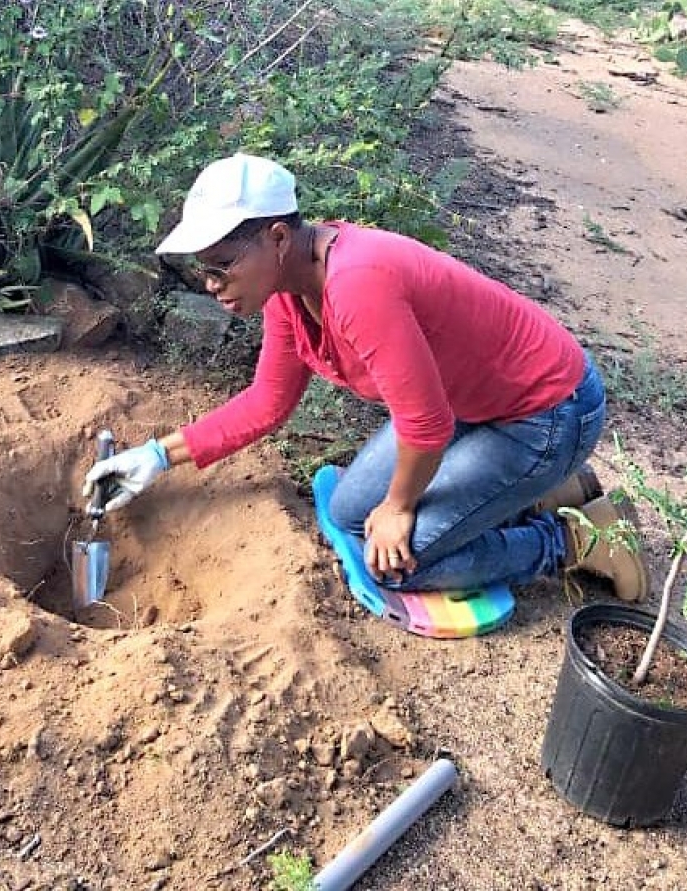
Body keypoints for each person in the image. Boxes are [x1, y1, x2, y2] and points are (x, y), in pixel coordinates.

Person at [83, 153, 648, 601]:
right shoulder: (289, 289)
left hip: (547, 413)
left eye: (222, 264)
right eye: (200, 268)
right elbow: (267, 403)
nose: (210, 283)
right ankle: (548, 490)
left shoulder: (359, 283)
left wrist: (400, 508)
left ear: (279, 238)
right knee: (351, 514)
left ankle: (574, 540)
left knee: (398, 562)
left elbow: (424, 428)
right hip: (473, 406)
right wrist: (155, 457)